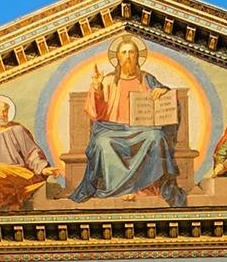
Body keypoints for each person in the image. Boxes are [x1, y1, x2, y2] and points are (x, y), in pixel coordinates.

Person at [63, 37, 185, 205]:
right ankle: (118, 189)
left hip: (141, 130)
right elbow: (95, 112)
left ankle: (145, 188)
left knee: (156, 136)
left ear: (137, 56)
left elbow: (169, 97)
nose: (128, 56)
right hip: (111, 129)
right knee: (102, 142)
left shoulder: (148, 79)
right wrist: (97, 88)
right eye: (124, 52)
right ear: (118, 57)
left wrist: (162, 91)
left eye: (131, 52)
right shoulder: (107, 80)